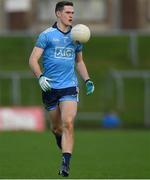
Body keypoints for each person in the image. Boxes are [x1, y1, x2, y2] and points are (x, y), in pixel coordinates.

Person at [29, 1, 94, 177]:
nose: (71, 15)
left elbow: (79, 61)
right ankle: (60, 140)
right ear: (58, 14)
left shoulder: (77, 36)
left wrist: (87, 79)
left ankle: (65, 164)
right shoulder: (46, 36)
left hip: (69, 87)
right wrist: (40, 77)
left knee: (68, 123)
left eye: (72, 12)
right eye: (67, 12)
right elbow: (33, 60)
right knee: (56, 128)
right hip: (50, 88)